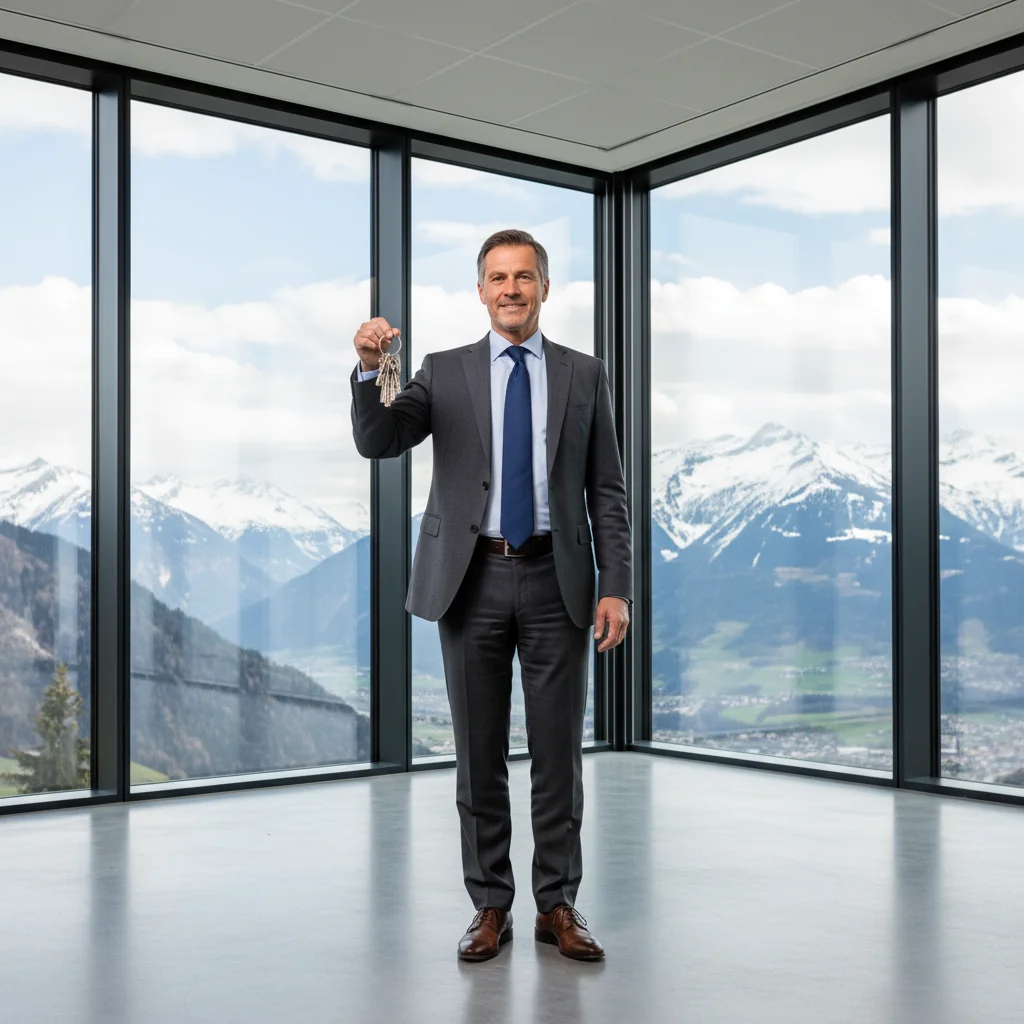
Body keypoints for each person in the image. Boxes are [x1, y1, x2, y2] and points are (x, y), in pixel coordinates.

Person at [349, 228, 632, 962]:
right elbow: (380, 441)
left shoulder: (585, 374)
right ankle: (490, 906)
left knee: (557, 754)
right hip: (468, 579)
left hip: (556, 580)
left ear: (544, 287)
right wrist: (369, 368)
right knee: (478, 756)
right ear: (480, 291)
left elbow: (607, 491)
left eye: (525, 276)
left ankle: (558, 904)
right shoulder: (442, 372)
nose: (511, 288)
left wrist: (617, 587)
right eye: (498, 277)